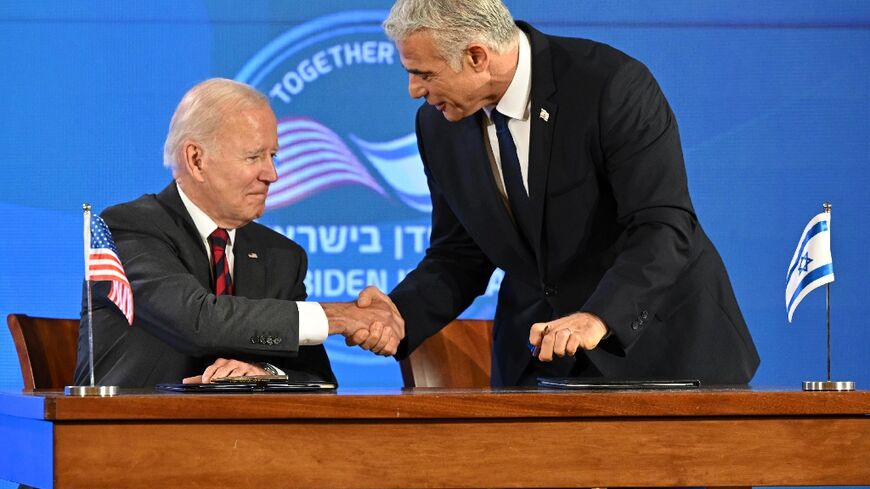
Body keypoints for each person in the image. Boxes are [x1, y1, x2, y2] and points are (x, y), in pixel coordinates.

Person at [377, 0, 760, 386]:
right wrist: (397, 314)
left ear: (477, 57)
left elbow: (662, 225)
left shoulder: (609, 85)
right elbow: (459, 255)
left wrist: (599, 317)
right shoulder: (439, 124)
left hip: (661, 352)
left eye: (424, 74)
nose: (413, 91)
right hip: (536, 359)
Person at [73, 78, 403, 388]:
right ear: (196, 159)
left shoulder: (281, 256)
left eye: (272, 155)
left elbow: (316, 376)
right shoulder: (128, 228)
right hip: (130, 436)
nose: (271, 174)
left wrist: (265, 373)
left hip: (245, 443)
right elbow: (198, 320)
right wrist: (339, 316)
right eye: (254, 156)